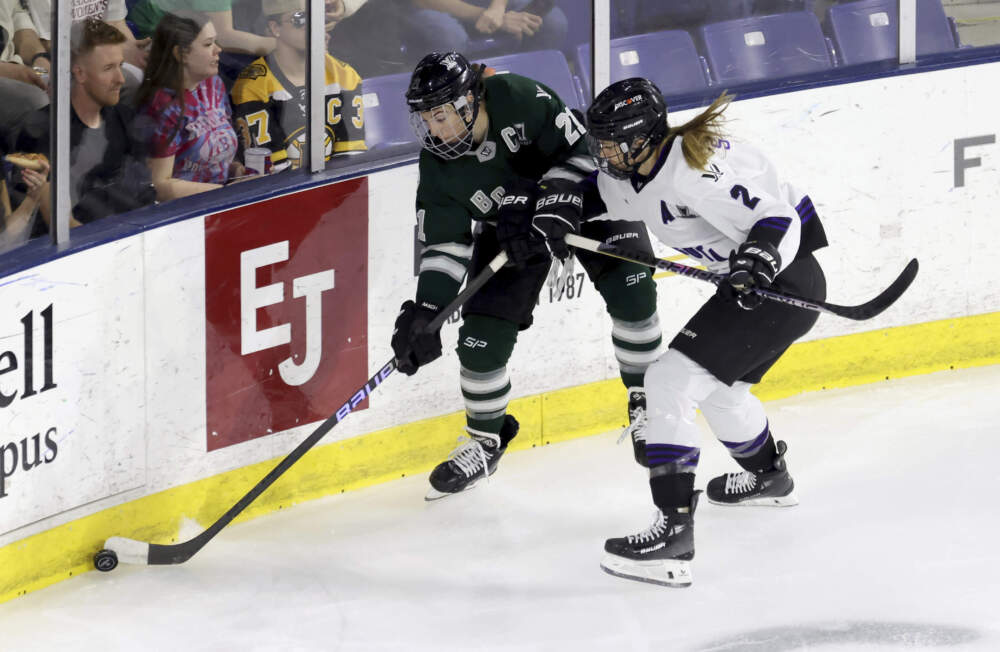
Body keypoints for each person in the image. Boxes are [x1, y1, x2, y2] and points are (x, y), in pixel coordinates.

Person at [575, 78, 829, 587]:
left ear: (642, 138)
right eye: (597, 141)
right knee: (722, 391)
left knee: (668, 381)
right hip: (760, 289)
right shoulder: (637, 171)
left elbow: (776, 216)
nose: (601, 152)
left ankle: (673, 532)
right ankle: (768, 476)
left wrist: (757, 259)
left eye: (610, 142)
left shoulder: (694, 173)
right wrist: (545, 209)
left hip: (783, 284)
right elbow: (596, 198)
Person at [391, 52, 663, 500]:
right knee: (479, 343)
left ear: (469, 102)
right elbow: (446, 244)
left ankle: (647, 400)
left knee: (634, 290)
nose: (433, 131)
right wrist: (427, 308)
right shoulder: (437, 167)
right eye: (426, 120)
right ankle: (486, 440)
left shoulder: (518, 97)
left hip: (586, 201)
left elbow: (586, 153)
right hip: (512, 232)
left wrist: (546, 197)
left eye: (439, 116)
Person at [15, 18, 155, 230]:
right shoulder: (45, 133)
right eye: (108, 68)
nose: (121, 79)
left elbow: (145, 197)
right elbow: (61, 226)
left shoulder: (126, 119)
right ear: (79, 73)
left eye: (120, 66)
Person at [231, 0, 365, 172]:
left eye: (318, 17)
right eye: (300, 18)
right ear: (275, 28)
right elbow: (273, 174)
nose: (313, 24)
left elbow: (350, 160)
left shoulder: (345, 76)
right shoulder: (253, 86)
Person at [135, 13, 240, 199]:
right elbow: (159, 184)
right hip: (184, 213)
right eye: (208, 44)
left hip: (221, 199)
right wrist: (226, 194)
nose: (218, 50)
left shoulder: (214, 84)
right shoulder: (162, 106)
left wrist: (235, 170)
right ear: (181, 54)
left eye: (216, 42)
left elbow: (216, 151)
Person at [402, 0, 567, 59]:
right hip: (429, 8)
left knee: (552, 22)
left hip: (485, 6)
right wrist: (483, 15)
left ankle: (528, 93)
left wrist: (497, 8)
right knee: (448, 35)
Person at [0, 0, 50, 133]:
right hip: (8, 71)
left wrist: (39, 58)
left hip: (14, 66)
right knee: (36, 103)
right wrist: (8, 71)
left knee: (69, 88)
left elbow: (16, 15)